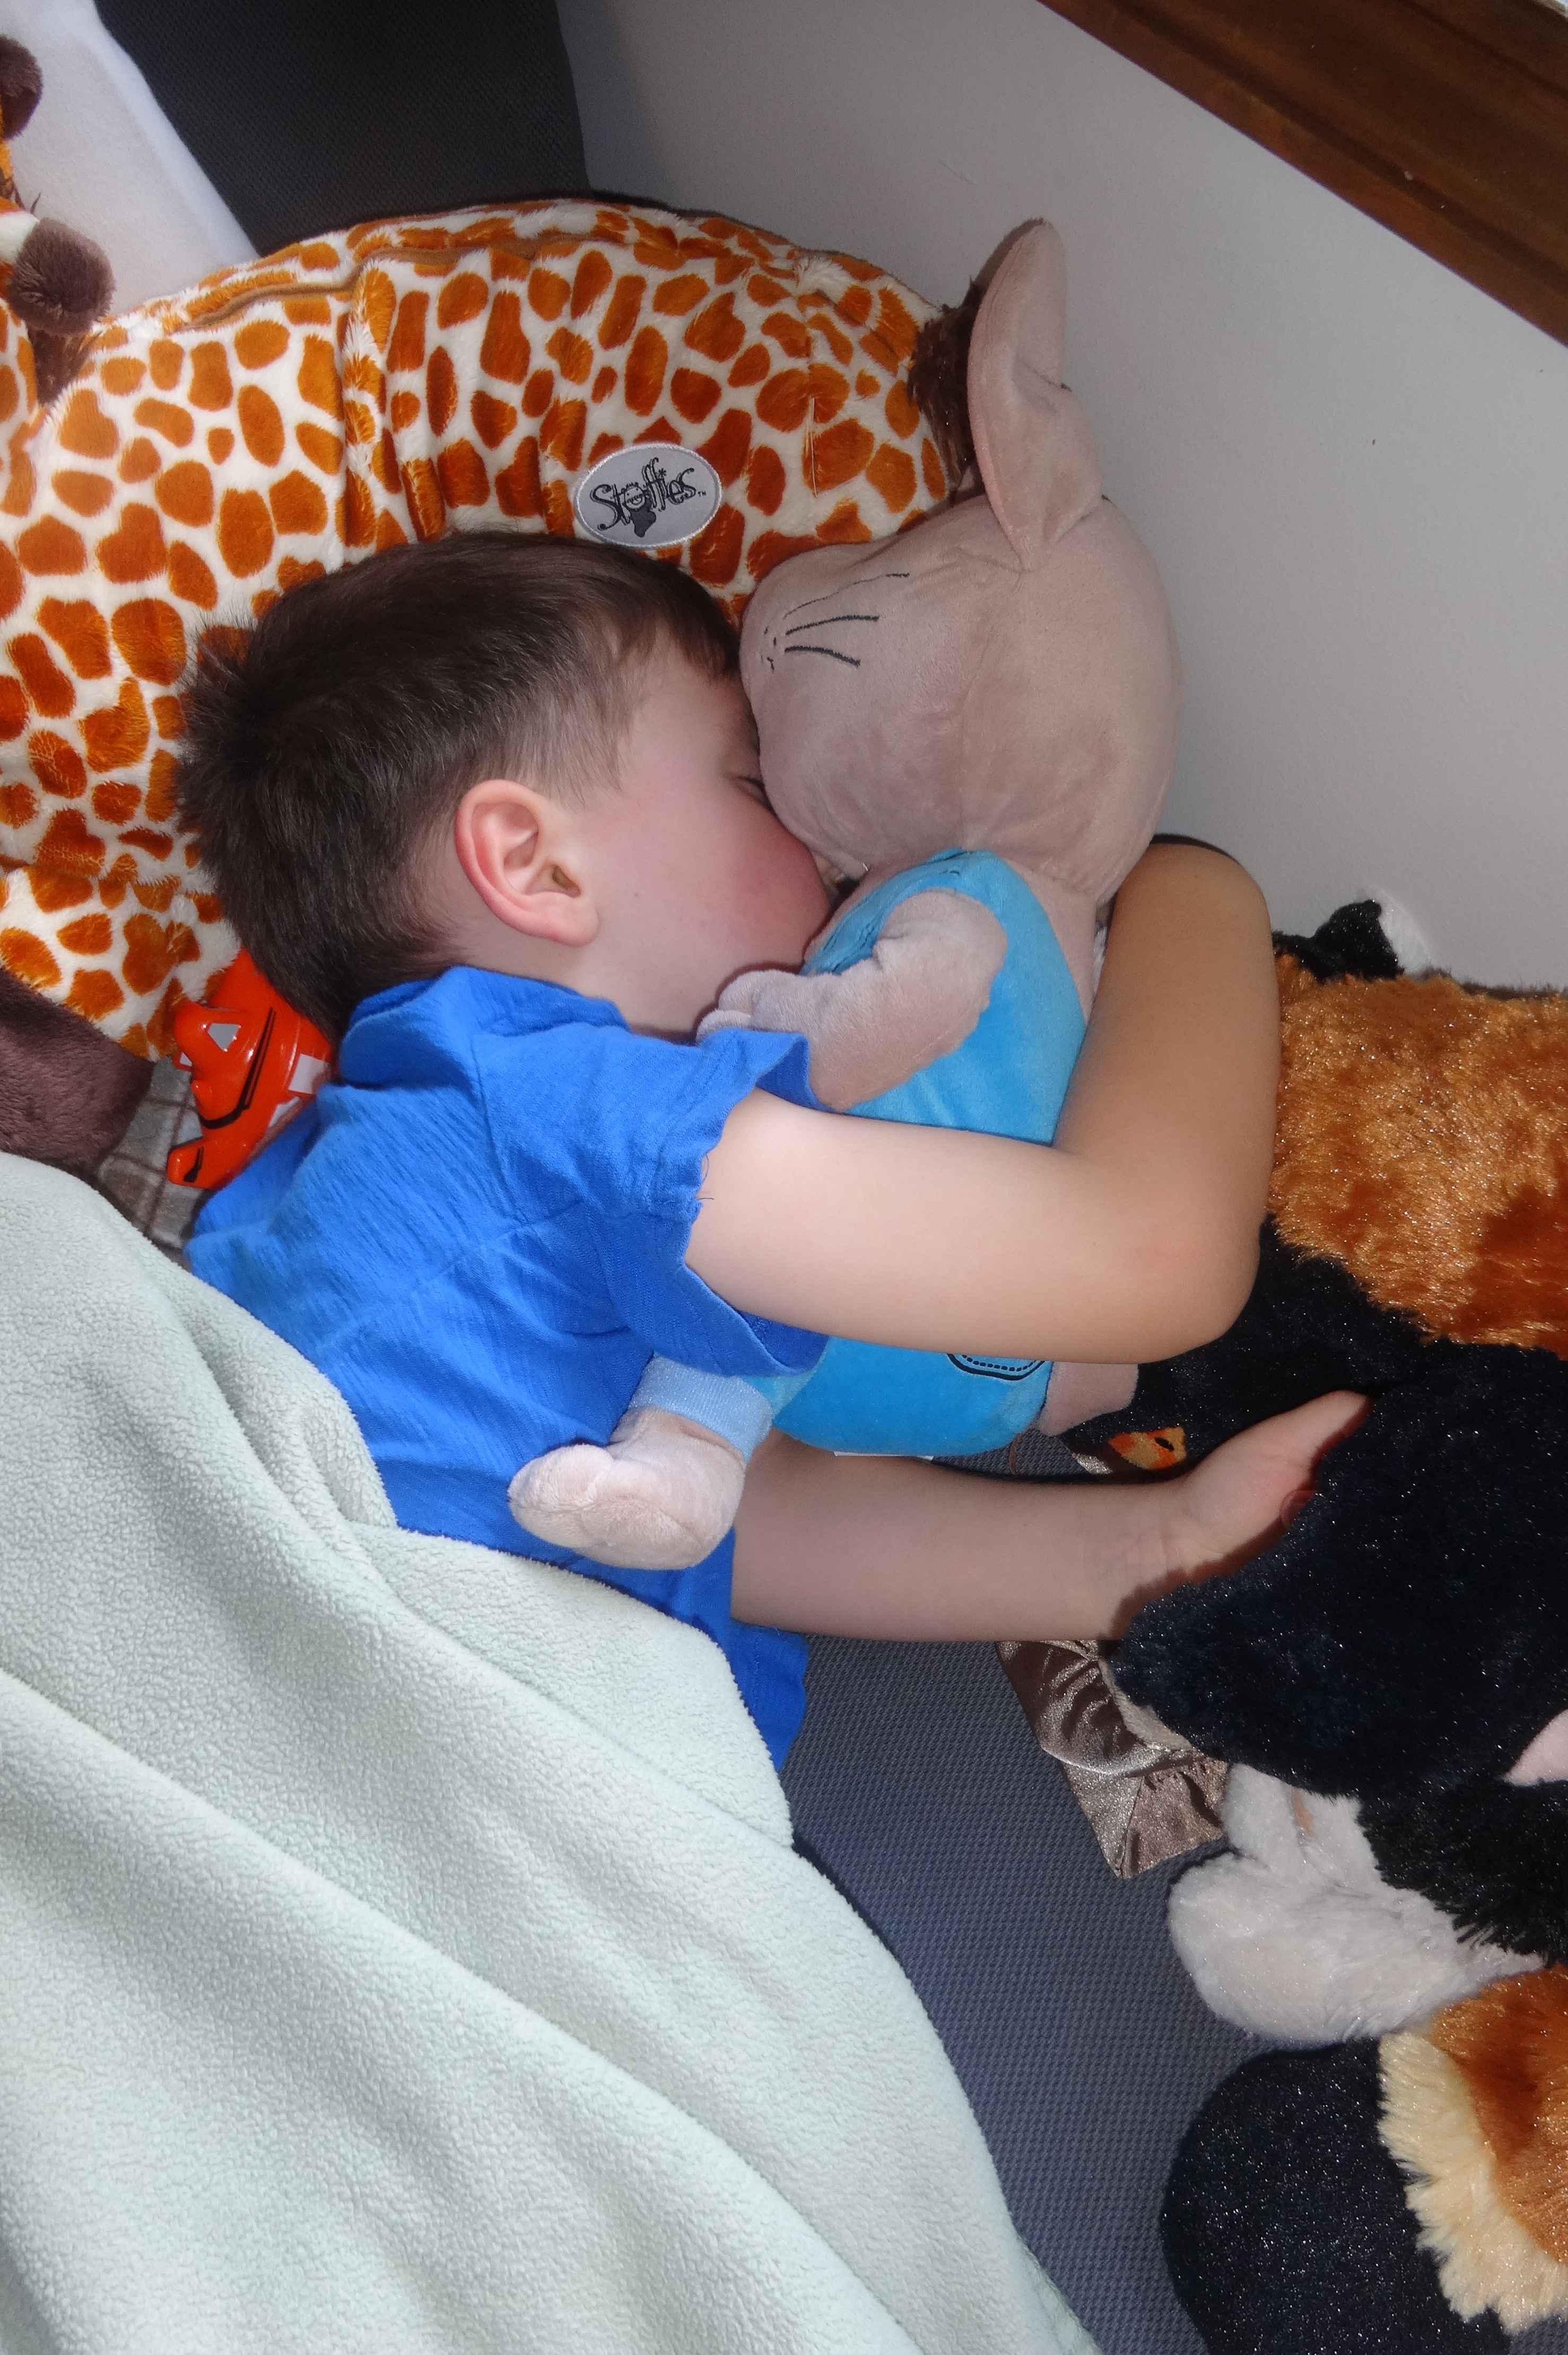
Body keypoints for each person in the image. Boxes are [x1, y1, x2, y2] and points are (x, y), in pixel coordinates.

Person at [181, 531, 1360, 1767]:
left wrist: (1158, 1550)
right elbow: (1148, 1257)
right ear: (534, 865)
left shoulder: (347, 1192)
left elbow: (735, 1513)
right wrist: (1184, 892)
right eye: (754, 785)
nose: (828, 854)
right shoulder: (553, 1100)